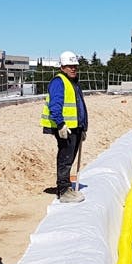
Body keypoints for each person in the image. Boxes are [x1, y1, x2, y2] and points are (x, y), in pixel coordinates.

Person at [41, 50, 88, 203]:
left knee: (70, 157)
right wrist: (60, 124)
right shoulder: (59, 81)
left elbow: (78, 106)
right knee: (65, 158)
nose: (73, 68)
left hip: (75, 127)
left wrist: (83, 127)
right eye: (69, 66)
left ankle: (65, 186)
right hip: (65, 127)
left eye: (75, 66)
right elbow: (55, 105)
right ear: (62, 67)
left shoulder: (73, 82)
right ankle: (63, 190)